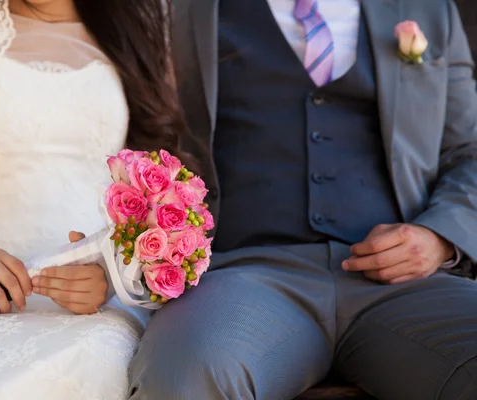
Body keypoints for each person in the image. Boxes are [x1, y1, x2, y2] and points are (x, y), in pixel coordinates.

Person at [129, 0, 477, 399]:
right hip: (244, 277)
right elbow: (142, 132)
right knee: (184, 376)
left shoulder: (428, 8)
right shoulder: (181, 10)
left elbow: (468, 151)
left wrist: (439, 236)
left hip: (408, 284)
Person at [0, 0, 188, 398]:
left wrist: (111, 276)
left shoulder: (136, 30)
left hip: (94, 300)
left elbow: (156, 195)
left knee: (98, 366)